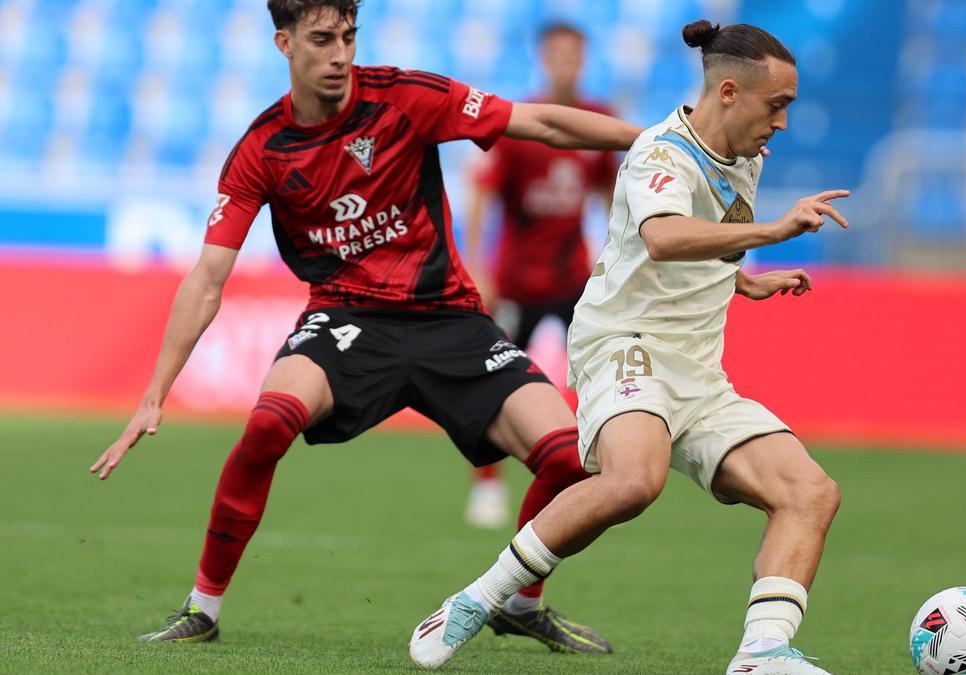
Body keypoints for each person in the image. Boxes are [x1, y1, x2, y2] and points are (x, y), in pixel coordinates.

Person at [88, 0, 640, 655]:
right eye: (322, 39)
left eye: (348, 37)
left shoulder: (406, 97)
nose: (340, 55)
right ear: (284, 43)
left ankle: (520, 602)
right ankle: (202, 608)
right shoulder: (263, 148)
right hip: (345, 318)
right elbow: (207, 278)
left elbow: (541, 122)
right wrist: (155, 394)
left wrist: (659, 138)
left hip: (449, 317)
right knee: (267, 424)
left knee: (568, 457)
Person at [410, 20, 846, 674]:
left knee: (810, 491)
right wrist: (776, 230)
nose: (782, 122)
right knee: (635, 480)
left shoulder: (747, 157)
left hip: (698, 369)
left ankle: (762, 654)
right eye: (776, 104)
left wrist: (742, 279)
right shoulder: (660, 153)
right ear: (729, 91)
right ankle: (477, 599)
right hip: (625, 344)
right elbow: (665, 237)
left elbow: (709, 234)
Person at [460, 21, 617, 531]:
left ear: (584, 59)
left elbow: (611, 194)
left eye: (575, 54)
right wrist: (478, 266)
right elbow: (482, 194)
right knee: (495, 385)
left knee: (599, 379)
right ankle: (487, 484)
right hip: (517, 282)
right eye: (558, 54)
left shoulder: (598, 121)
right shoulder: (521, 123)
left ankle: (599, 475)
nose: (566, 64)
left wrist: (616, 255)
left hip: (574, 279)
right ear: (545, 59)